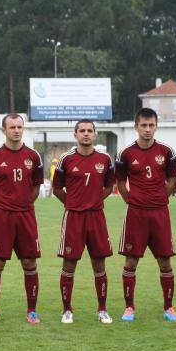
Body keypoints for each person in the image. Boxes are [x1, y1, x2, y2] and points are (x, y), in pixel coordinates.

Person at [115, 108, 176, 322]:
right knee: (131, 262)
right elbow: (120, 182)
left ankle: (169, 307)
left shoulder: (167, 151)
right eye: (144, 125)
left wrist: (164, 197)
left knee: (165, 262)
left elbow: (172, 179)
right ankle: (129, 308)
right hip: (136, 214)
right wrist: (130, 200)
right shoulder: (126, 153)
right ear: (136, 127)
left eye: (151, 125)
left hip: (160, 213)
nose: (148, 129)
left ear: (156, 126)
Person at [0, 113, 44, 325]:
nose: (16, 130)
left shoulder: (33, 156)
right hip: (2, 217)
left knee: (29, 262)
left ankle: (32, 310)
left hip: (26, 215)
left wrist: (23, 204)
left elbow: (36, 188)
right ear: (3, 130)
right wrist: (0, 208)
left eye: (19, 127)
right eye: (12, 127)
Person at [52, 120, 115, 324]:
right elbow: (57, 189)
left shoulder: (105, 159)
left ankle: (102, 310)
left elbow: (108, 187)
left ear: (95, 135)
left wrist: (94, 201)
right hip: (74, 217)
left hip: (96, 217)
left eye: (89, 131)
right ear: (75, 135)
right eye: (82, 131)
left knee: (99, 263)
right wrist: (72, 203)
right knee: (69, 264)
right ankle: (67, 310)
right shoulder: (66, 159)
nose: (86, 134)